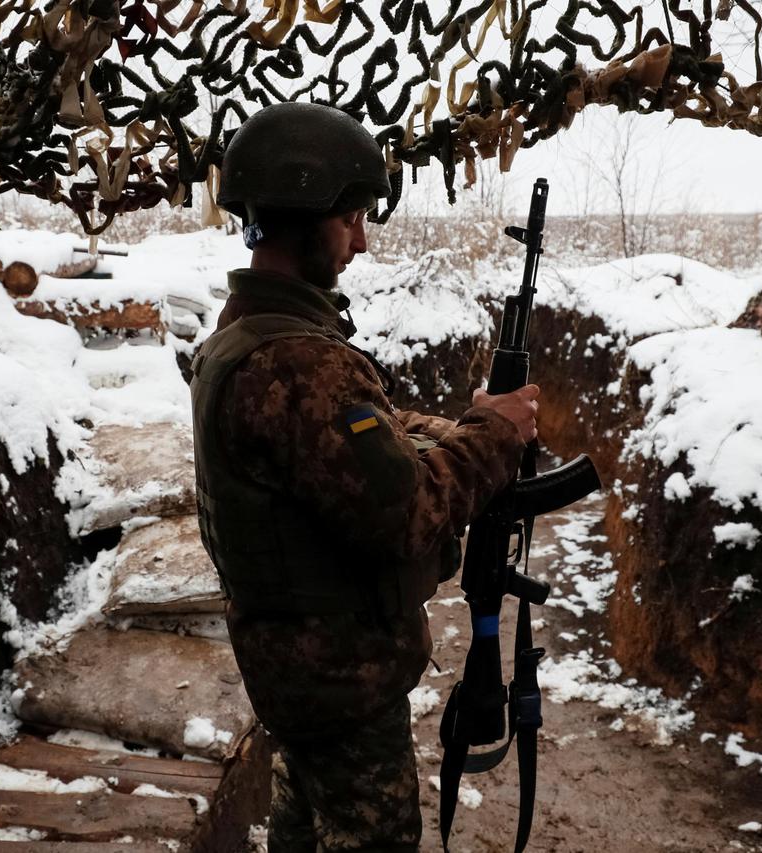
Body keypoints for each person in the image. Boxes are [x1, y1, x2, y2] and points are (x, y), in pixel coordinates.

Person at [188, 102, 540, 852]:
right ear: (306, 214)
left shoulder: (251, 335)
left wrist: (462, 429)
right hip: (340, 685)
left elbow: (356, 433)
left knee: (302, 829)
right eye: (351, 219)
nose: (361, 239)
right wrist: (497, 436)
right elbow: (406, 512)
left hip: (294, 673)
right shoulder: (301, 361)